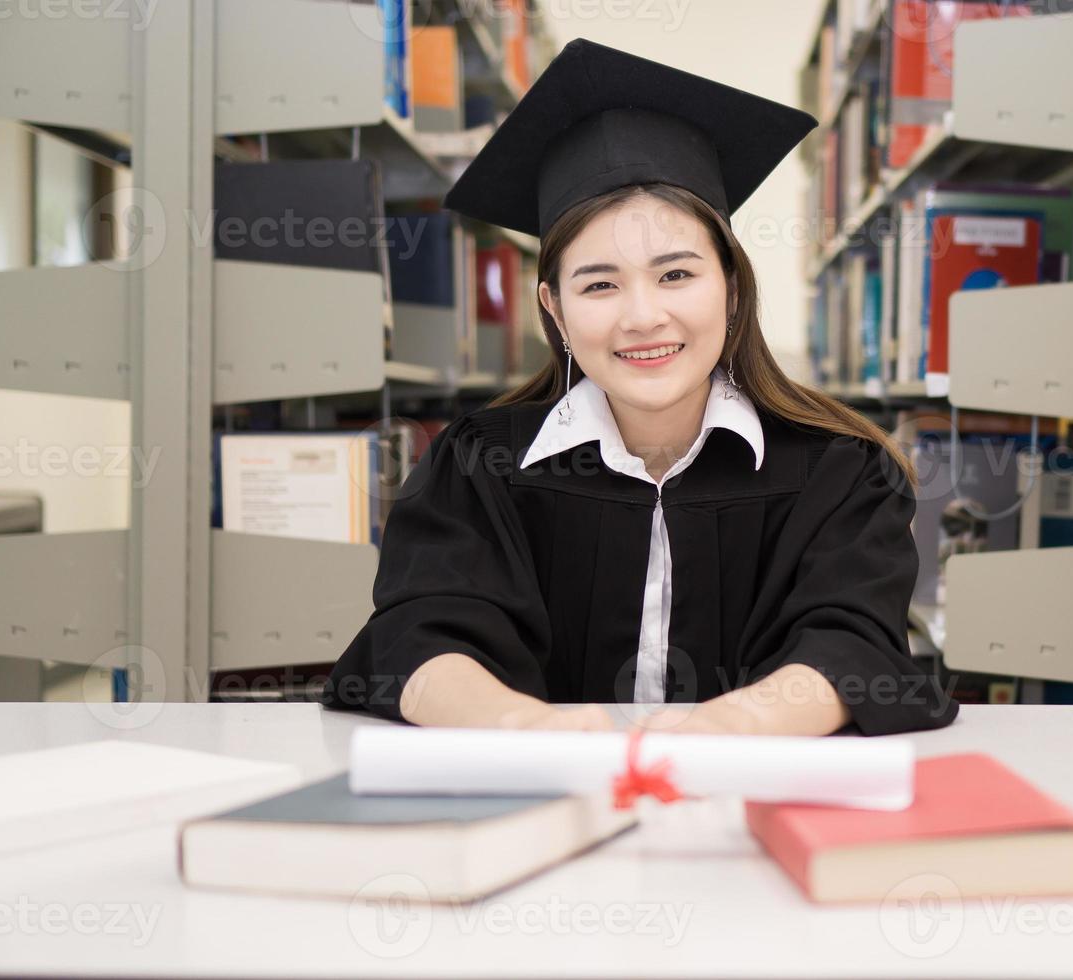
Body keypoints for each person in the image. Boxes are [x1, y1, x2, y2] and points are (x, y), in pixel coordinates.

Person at [320, 38, 958, 737]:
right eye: (599, 284)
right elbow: (420, 635)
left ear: (732, 288)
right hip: (535, 813)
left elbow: (853, 645)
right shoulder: (477, 466)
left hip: (749, 813)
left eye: (676, 274)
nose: (643, 316)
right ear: (555, 309)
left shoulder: (839, 472)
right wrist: (527, 731)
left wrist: (724, 731)